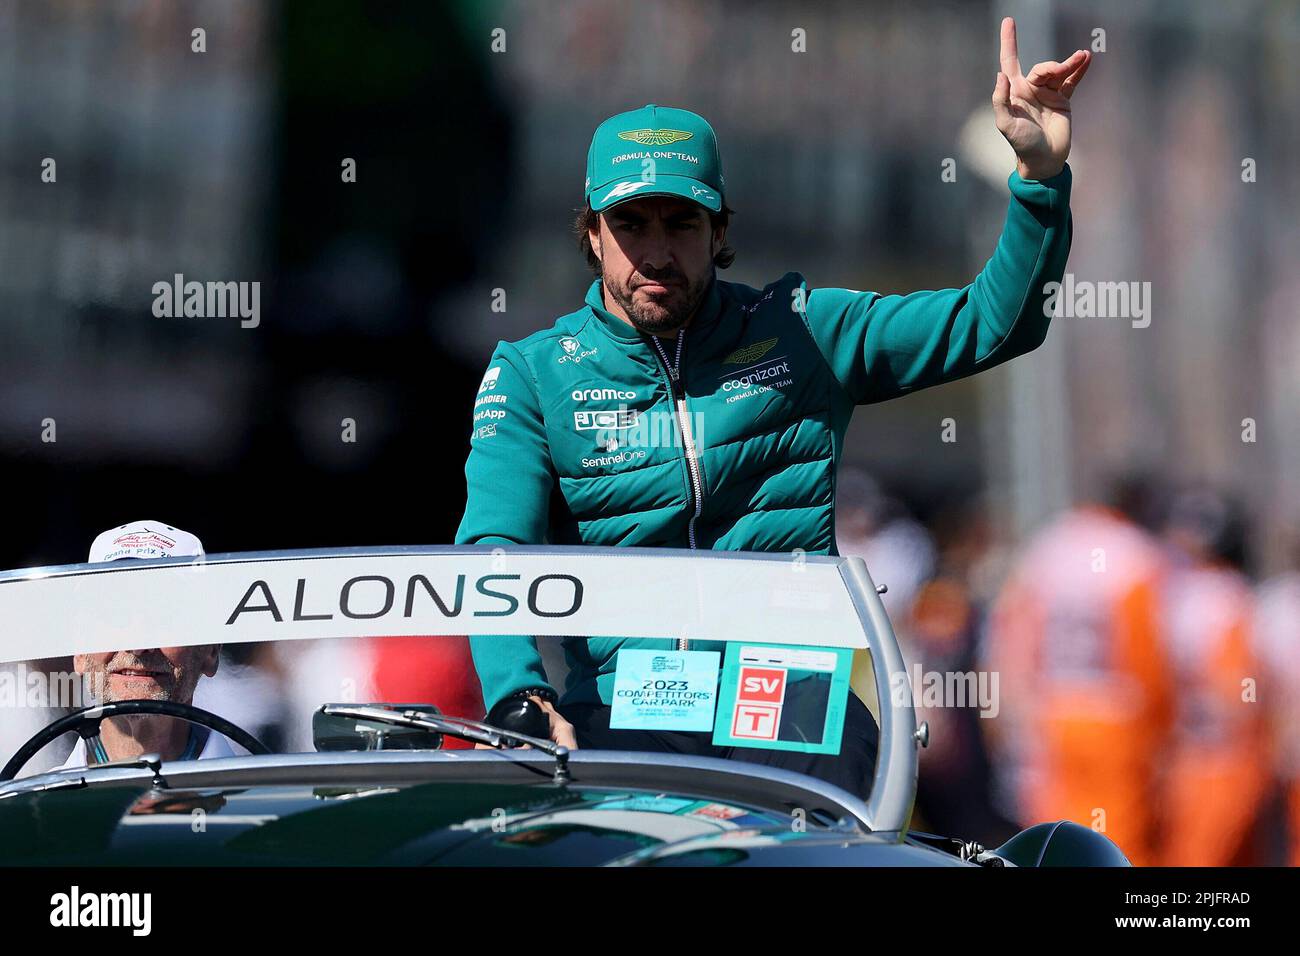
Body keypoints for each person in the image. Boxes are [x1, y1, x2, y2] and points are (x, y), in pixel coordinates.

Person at [456, 19, 1089, 799]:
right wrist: (519, 692)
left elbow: (996, 324)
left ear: (720, 229)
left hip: (788, 707)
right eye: (630, 223)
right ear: (591, 233)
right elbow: (494, 553)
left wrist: (1037, 180)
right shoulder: (530, 374)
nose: (655, 252)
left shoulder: (804, 330)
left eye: (681, 222)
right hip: (619, 714)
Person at [981, 482, 1173, 865]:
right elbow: (1147, 657)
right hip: (1114, 712)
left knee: (1052, 834)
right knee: (1115, 840)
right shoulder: (1134, 554)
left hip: (1054, 708)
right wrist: (1159, 730)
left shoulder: (1048, 547)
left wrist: (1010, 711)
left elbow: (1010, 636)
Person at [56, 521, 236, 769]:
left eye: (163, 615)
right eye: (114, 613)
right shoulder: (32, 806)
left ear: (211, 651)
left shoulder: (264, 804)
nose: (138, 645)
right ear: (79, 650)